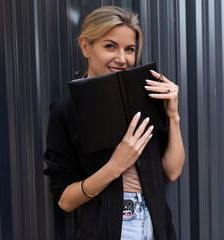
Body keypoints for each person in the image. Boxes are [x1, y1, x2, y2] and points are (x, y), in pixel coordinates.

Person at [43, 6, 185, 240]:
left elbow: (172, 171)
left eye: (129, 49)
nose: (122, 59)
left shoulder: (148, 99)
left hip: (157, 229)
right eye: (110, 46)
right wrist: (114, 167)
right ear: (85, 46)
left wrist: (173, 115)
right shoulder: (66, 111)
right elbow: (65, 201)